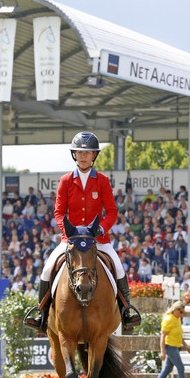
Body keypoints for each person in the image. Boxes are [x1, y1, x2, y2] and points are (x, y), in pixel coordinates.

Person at [23, 131, 141, 332]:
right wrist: (68, 231)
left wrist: (101, 228)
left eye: (88, 152)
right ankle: (41, 313)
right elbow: (59, 212)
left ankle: (126, 312)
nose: (83, 156)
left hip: (98, 239)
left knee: (119, 269)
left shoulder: (102, 180)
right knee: (46, 270)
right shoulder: (66, 181)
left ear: (94, 155)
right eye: (80, 152)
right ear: (74, 154)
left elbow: (112, 211)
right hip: (71, 240)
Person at [148, 301, 190, 378]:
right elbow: (162, 336)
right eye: (181, 312)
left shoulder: (176, 319)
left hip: (175, 347)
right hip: (170, 347)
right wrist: (163, 352)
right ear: (175, 310)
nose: (182, 314)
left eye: (183, 312)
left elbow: (179, 335)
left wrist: (186, 346)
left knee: (167, 370)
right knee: (180, 368)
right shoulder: (169, 319)